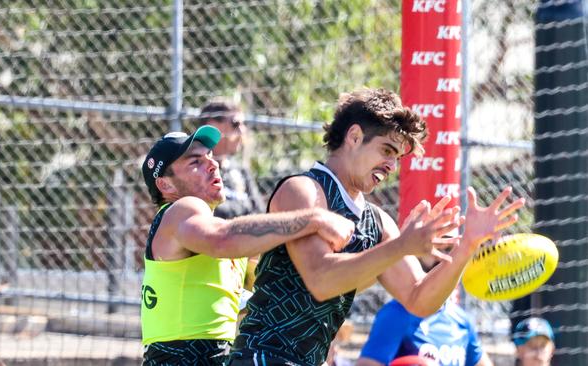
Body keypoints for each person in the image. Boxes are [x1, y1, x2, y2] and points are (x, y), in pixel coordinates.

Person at [229, 87, 524, 365]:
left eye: (397, 158)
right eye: (386, 150)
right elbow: (321, 279)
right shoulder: (305, 190)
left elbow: (419, 299)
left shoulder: (377, 222)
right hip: (261, 356)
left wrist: (466, 246)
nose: (391, 166)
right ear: (354, 136)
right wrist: (401, 246)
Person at [140, 125, 356, 365]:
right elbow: (222, 240)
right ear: (165, 185)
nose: (213, 164)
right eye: (195, 163)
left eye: (210, 157)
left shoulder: (205, 237)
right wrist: (313, 219)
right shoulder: (182, 209)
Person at [356, 238, 494, 366]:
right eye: (438, 244)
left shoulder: (461, 320)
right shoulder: (396, 315)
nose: (445, 256)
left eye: (451, 247)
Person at [198, 99, 265, 219]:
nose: (242, 130)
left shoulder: (241, 171)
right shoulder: (195, 170)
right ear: (213, 126)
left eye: (243, 124)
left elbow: (260, 212)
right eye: (235, 124)